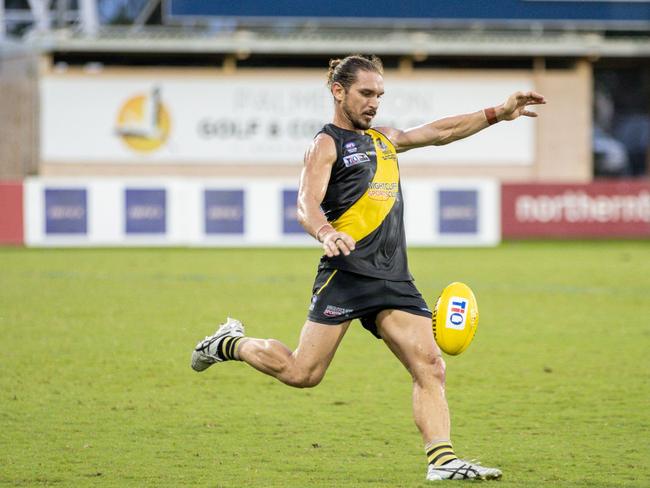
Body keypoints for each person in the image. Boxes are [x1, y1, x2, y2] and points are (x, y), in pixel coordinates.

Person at [191, 54, 545, 482]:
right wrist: (325, 233)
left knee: (430, 365)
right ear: (338, 91)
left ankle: (442, 461)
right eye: (366, 93)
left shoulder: (384, 139)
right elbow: (306, 204)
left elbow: (440, 132)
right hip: (346, 274)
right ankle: (230, 342)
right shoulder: (326, 144)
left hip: (393, 277)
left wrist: (497, 113)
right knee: (303, 373)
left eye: (379, 94)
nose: (374, 102)